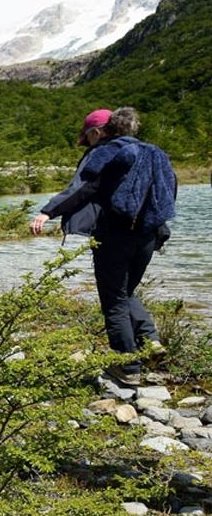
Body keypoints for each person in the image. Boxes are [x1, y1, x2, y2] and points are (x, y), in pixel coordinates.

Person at [31, 107, 177, 386]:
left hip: (116, 235)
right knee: (124, 292)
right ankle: (152, 341)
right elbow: (169, 192)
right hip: (149, 234)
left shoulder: (106, 152)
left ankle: (128, 367)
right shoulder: (153, 152)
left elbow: (82, 189)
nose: (88, 143)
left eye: (88, 137)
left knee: (114, 301)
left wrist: (48, 212)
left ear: (98, 132)